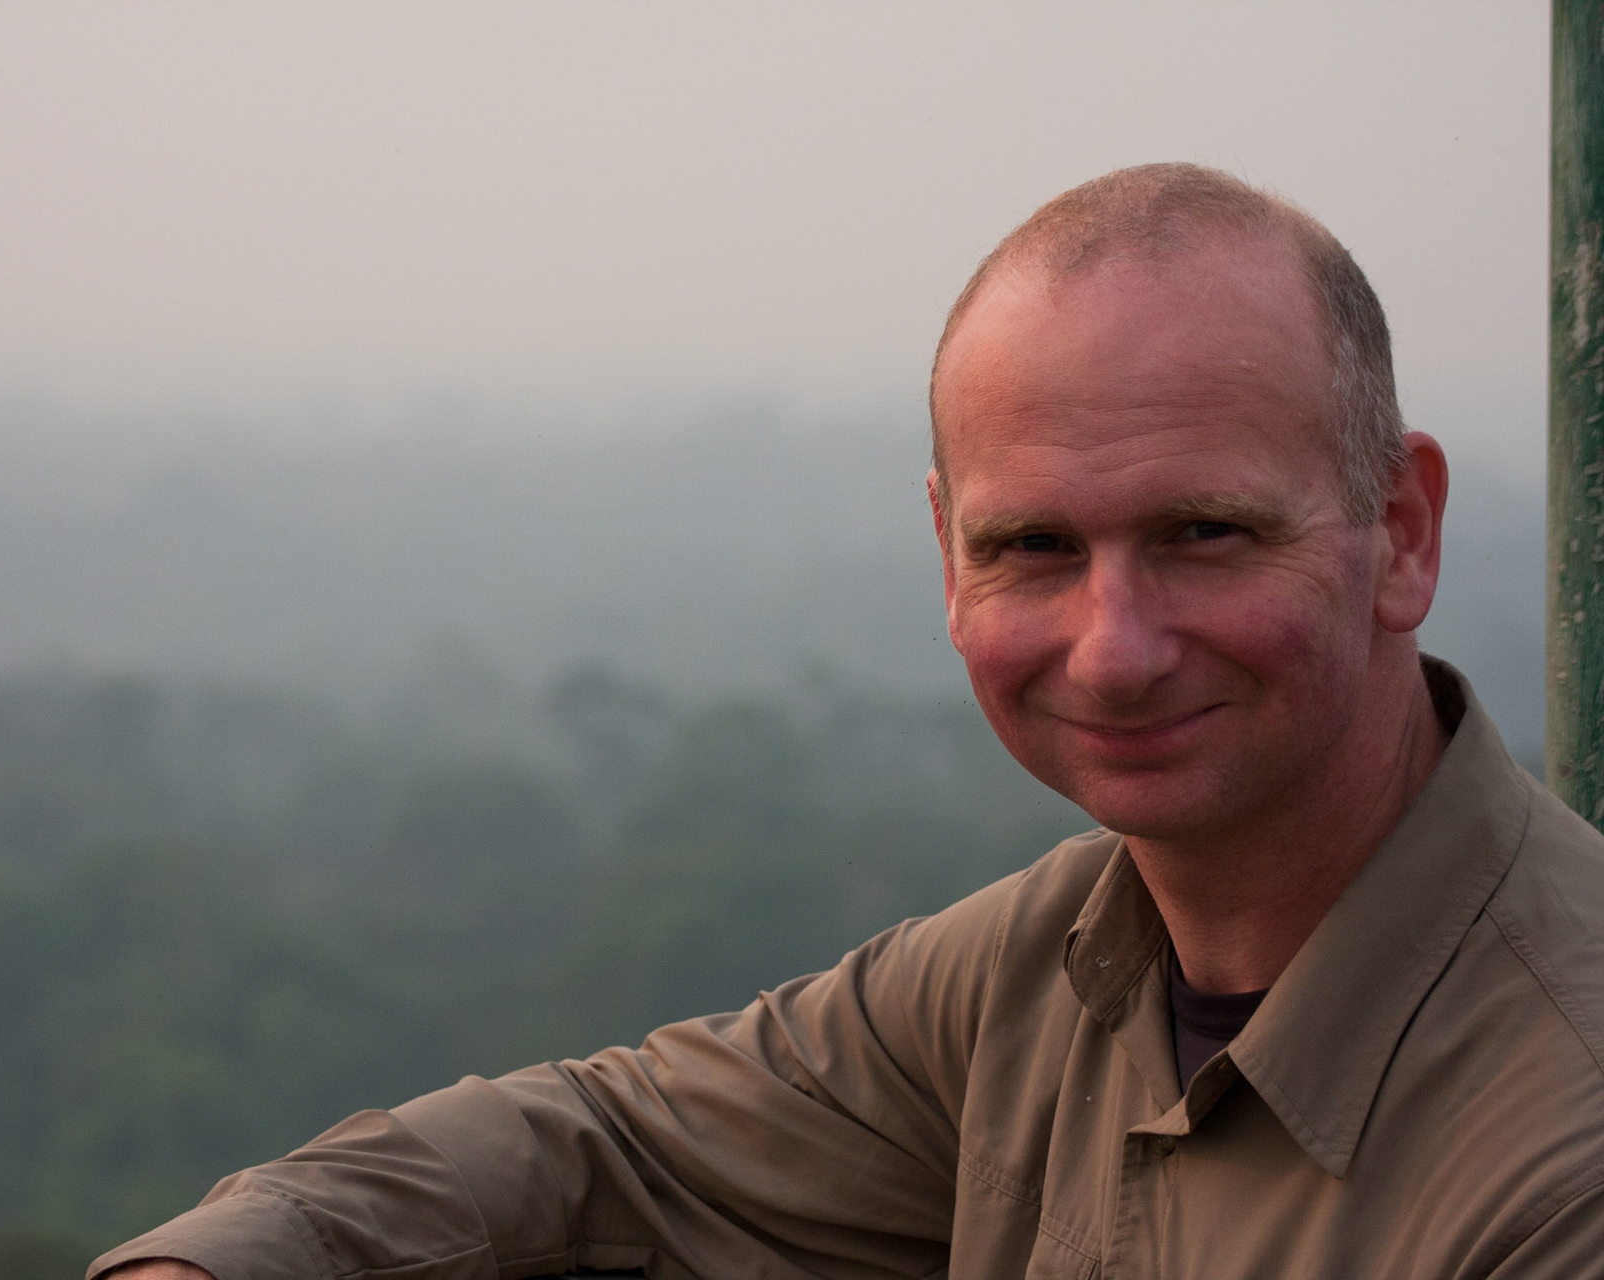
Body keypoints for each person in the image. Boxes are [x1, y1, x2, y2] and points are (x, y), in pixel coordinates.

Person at [91, 164, 1604, 1280]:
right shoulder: (1047, 978)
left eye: (1204, 533)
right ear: (948, 557)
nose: (1115, 649)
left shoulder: (1555, 1151)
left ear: (1402, 533)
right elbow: (612, 1147)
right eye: (1034, 549)